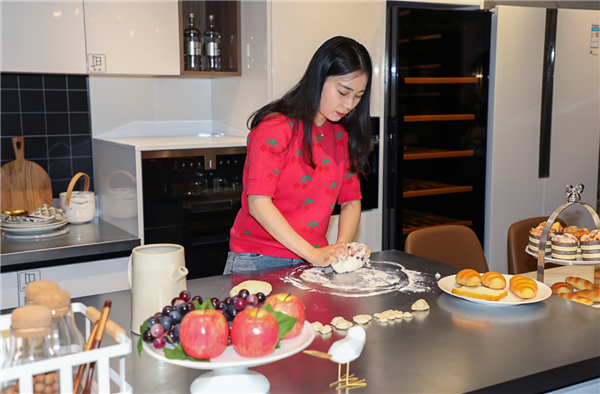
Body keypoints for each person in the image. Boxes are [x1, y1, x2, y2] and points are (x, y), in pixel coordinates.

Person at [223, 36, 373, 274]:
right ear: (319, 78)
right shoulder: (274, 128)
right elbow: (259, 204)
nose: (349, 105)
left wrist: (341, 249)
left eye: (358, 96)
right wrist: (313, 254)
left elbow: (351, 202)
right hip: (258, 259)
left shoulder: (340, 136)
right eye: (343, 92)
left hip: (312, 261)